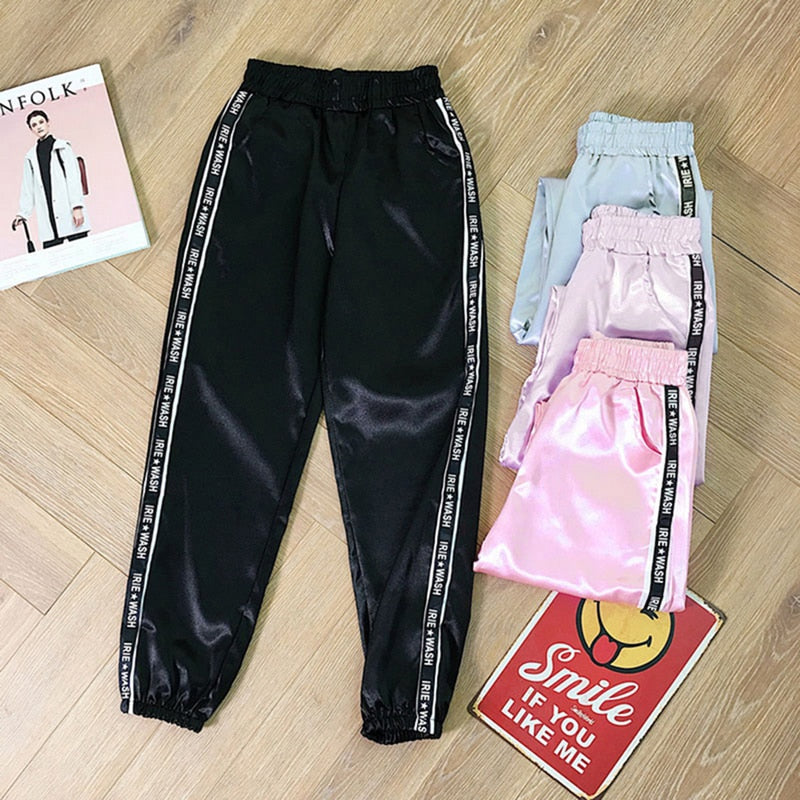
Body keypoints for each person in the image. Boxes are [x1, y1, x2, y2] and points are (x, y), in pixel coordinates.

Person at [13, 109, 90, 249]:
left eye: (41, 122)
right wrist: (22, 213)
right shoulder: (30, 156)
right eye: (34, 125)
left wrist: (77, 207)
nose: (39, 127)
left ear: (48, 123)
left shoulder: (63, 147)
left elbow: (73, 178)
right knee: (53, 254)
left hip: (69, 210)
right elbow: (27, 187)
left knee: (82, 250)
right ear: (31, 129)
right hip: (47, 214)